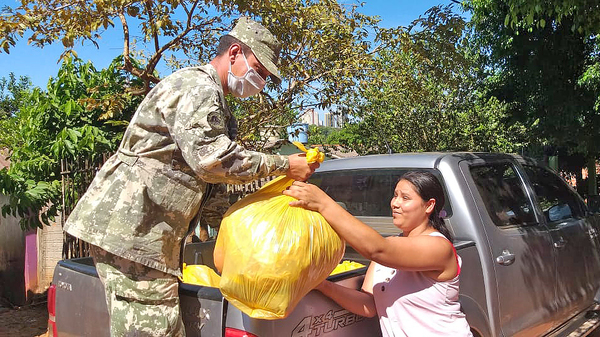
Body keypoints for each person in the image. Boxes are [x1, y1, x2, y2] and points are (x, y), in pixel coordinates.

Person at [63, 17, 319, 337]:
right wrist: (284, 166)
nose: (261, 82)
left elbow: (209, 186)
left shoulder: (217, 103)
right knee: (157, 330)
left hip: (144, 234)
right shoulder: (198, 87)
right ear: (235, 52)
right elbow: (211, 161)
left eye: (266, 77)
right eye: (259, 70)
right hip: (134, 231)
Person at [283, 171, 472, 337]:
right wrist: (322, 285)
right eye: (395, 195)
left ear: (429, 205)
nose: (395, 203)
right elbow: (368, 305)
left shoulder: (438, 247)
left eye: (405, 198)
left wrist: (324, 204)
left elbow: (377, 249)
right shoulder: (390, 248)